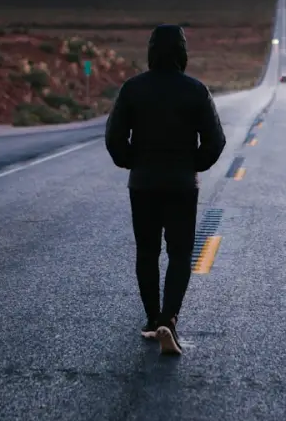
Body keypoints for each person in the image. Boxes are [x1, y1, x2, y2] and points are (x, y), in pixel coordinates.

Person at [105, 24, 226, 355]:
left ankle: (150, 319)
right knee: (180, 253)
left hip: (142, 184)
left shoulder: (133, 89)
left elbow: (114, 138)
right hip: (182, 185)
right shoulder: (195, 90)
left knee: (147, 252)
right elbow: (216, 141)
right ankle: (168, 320)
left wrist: (132, 161)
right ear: (182, 52)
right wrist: (193, 165)